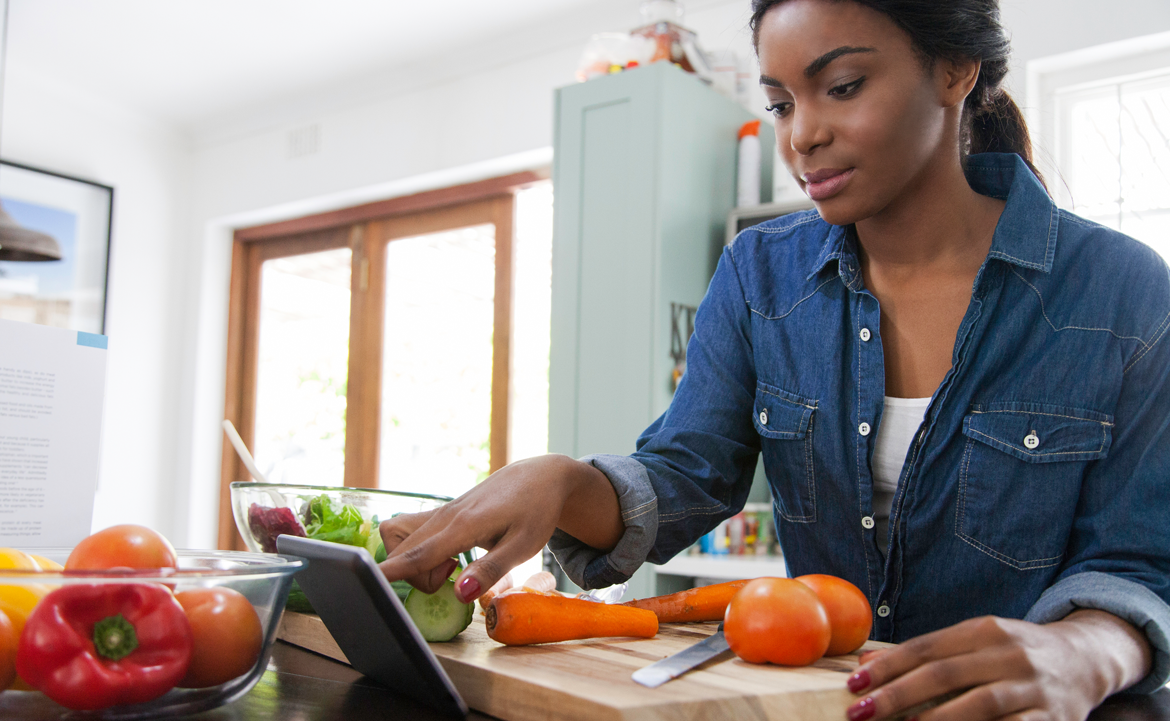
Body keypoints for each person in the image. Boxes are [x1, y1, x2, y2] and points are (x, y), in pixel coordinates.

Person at [379, 0, 1170, 718]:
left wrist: (1082, 652)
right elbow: (688, 474)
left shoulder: (1124, 291)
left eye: (845, 86)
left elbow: (1138, 563)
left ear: (956, 70)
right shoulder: (761, 275)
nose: (802, 136)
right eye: (783, 103)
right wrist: (559, 481)